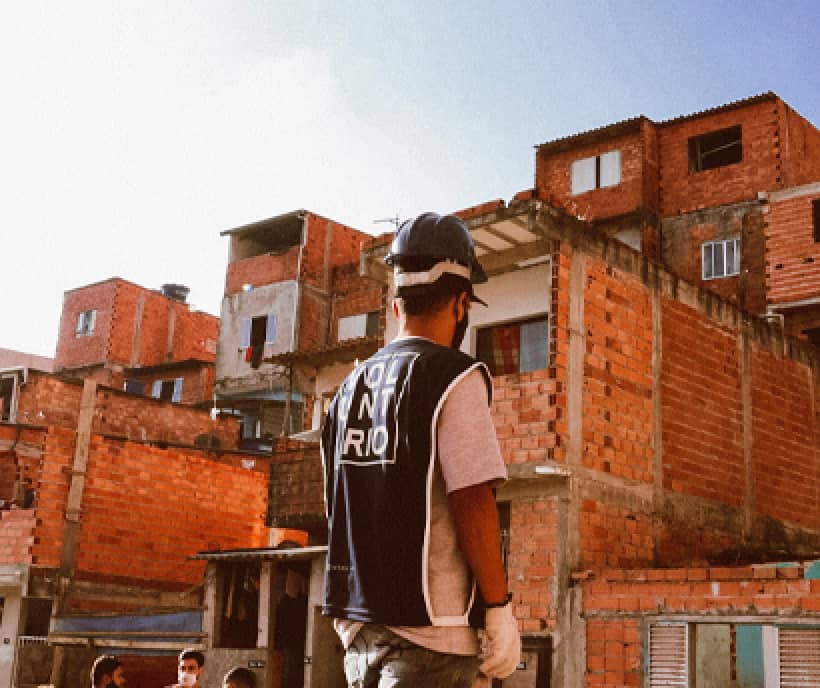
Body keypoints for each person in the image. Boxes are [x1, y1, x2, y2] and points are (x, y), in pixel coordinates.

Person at [321, 212, 520, 686]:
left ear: (396, 306)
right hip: (434, 639)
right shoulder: (454, 376)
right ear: (461, 302)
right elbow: (472, 497)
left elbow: (335, 504)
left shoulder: (346, 390)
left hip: (359, 631)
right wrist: (498, 608)